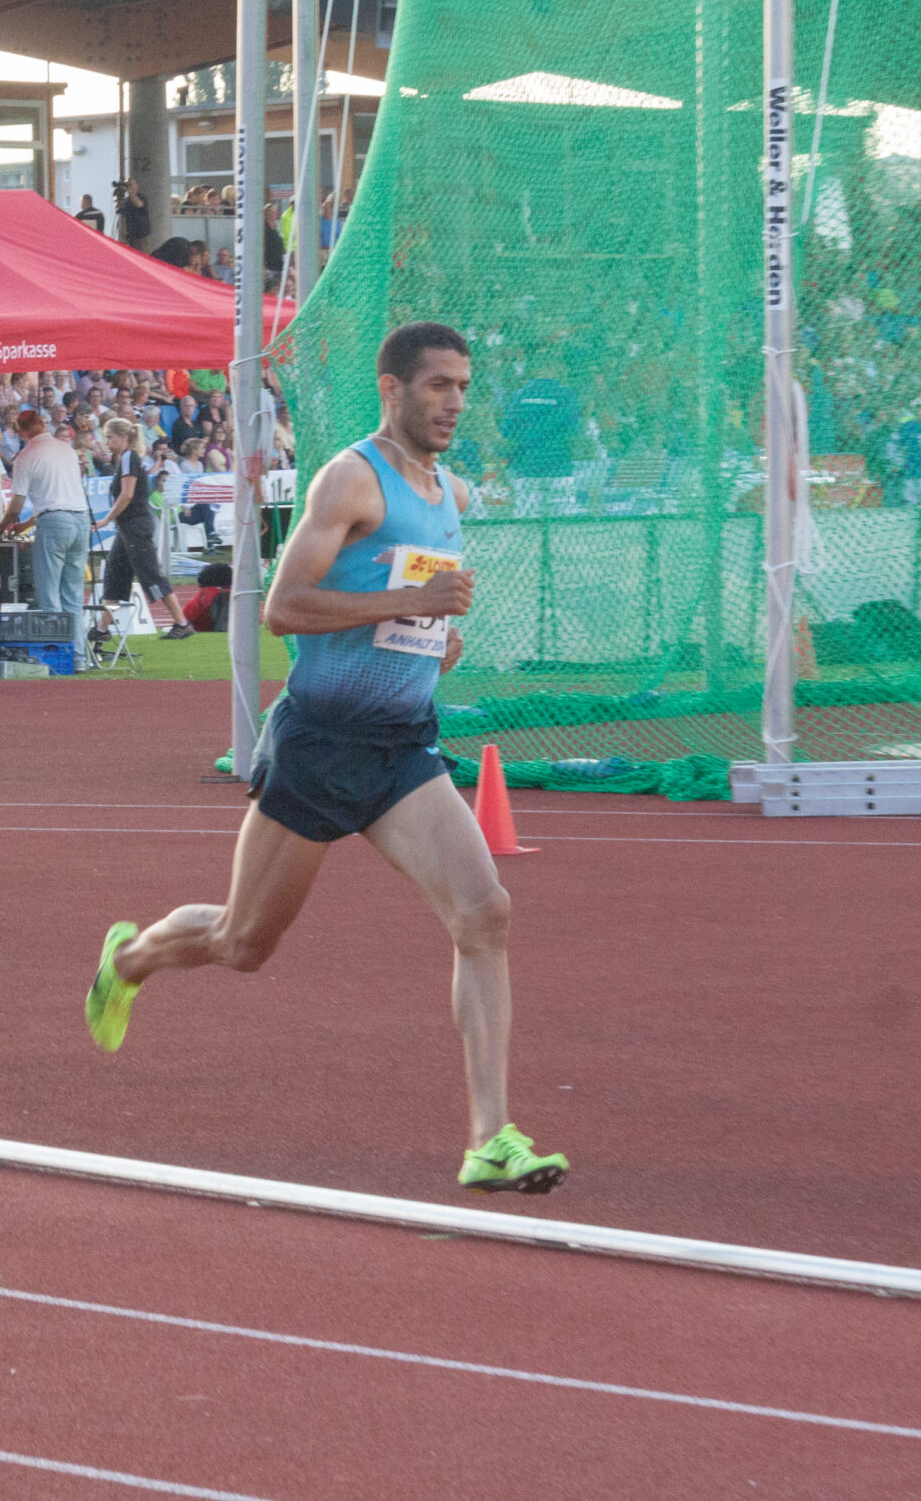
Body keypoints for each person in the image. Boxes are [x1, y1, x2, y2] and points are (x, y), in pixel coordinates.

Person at [85, 323, 570, 1197]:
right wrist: (413, 598)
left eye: (464, 386)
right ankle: (129, 959)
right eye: (439, 387)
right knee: (243, 942)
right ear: (393, 388)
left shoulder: (446, 489)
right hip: (320, 744)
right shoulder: (351, 476)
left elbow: (401, 612)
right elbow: (284, 607)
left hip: (401, 750)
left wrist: (431, 638)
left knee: (485, 912)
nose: (456, 401)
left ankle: (489, 1138)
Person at [96, 416, 195, 640]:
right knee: (115, 577)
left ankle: (182, 622)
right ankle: (102, 629)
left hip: (135, 526)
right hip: (128, 528)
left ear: (123, 437)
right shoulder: (127, 458)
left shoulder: (129, 458)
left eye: (110, 438)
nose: (107, 443)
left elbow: (127, 494)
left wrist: (106, 519)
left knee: (151, 575)